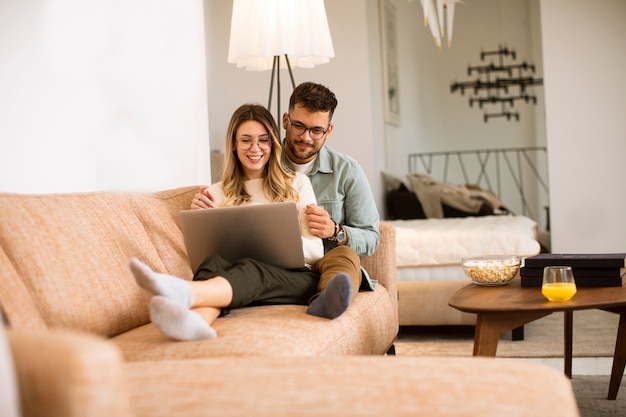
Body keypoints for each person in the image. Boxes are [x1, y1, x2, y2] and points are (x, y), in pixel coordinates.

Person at [130, 104, 351, 341]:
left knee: (250, 267)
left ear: (273, 144)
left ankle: (184, 291)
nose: (255, 148)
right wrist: (203, 218)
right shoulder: (216, 192)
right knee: (213, 262)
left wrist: (269, 245)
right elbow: (206, 256)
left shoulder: (297, 184)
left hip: (296, 278)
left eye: (263, 140)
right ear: (234, 145)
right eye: (246, 140)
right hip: (240, 276)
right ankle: (197, 321)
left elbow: (316, 250)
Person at [281, 82, 381, 316]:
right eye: (298, 126)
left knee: (344, 255)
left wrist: (336, 231)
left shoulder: (347, 171)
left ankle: (328, 300)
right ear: (286, 120)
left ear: (329, 130)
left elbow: (372, 237)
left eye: (316, 130)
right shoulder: (263, 163)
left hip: (328, 260)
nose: (306, 137)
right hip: (282, 264)